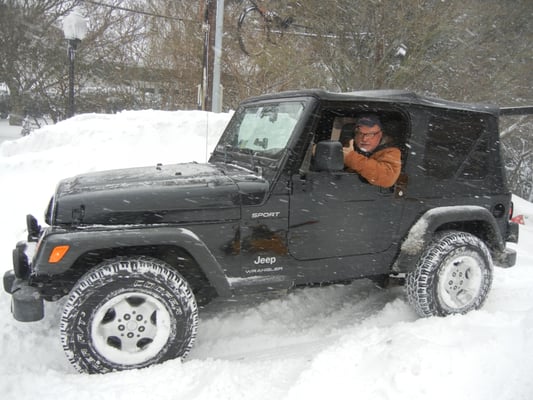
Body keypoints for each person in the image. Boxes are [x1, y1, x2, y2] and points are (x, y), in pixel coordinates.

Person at [342, 115, 401, 188]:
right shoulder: (348, 147)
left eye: (370, 134)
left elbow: (387, 178)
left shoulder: (391, 152)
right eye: (360, 133)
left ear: (380, 134)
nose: (364, 139)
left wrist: (351, 158)